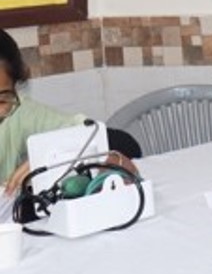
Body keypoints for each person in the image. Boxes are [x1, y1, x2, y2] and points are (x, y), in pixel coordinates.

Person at [0, 29, 141, 199]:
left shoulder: (19, 113)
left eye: (1, 100)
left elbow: (122, 143)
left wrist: (55, 157)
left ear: (15, 88)